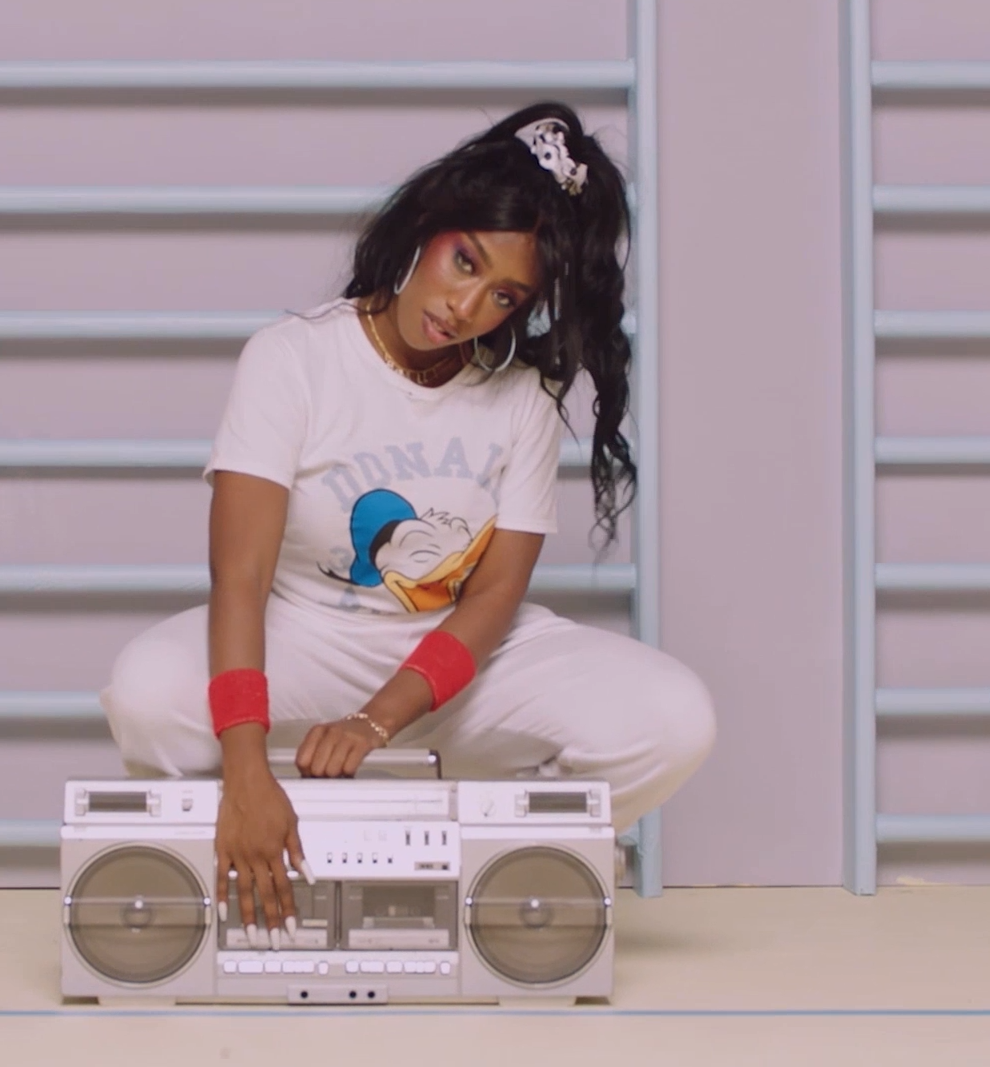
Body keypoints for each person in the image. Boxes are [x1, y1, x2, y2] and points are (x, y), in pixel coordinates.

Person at [99, 103, 715, 938]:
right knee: (145, 691)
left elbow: (493, 597)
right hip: (303, 640)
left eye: (504, 295)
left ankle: (481, 869)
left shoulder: (523, 397)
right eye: (465, 262)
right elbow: (238, 578)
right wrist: (245, 771)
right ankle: (251, 845)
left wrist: (376, 721)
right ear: (430, 224)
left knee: (674, 718)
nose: (465, 306)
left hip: (453, 662)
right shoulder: (294, 359)